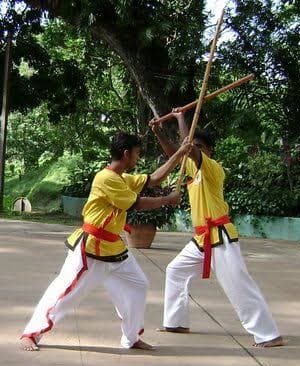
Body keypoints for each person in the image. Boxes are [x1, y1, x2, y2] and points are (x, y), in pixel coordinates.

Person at [19, 131, 190, 351]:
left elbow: (154, 179)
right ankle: (31, 334)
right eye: (136, 154)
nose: (137, 158)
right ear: (126, 154)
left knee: (138, 286)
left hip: (114, 248)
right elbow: (135, 204)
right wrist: (167, 200)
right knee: (66, 291)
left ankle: (131, 338)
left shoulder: (122, 179)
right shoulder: (106, 178)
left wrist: (178, 155)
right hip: (91, 246)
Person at [150, 110, 283, 348]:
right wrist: (158, 131)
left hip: (220, 236)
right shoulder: (193, 169)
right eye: (195, 146)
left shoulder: (213, 169)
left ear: (209, 151)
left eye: (200, 146)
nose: (195, 149)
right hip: (202, 238)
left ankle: (268, 334)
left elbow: (188, 148)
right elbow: (177, 152)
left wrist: (180, 118)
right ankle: (176, 321)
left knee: (237, 283)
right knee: (175, 270)